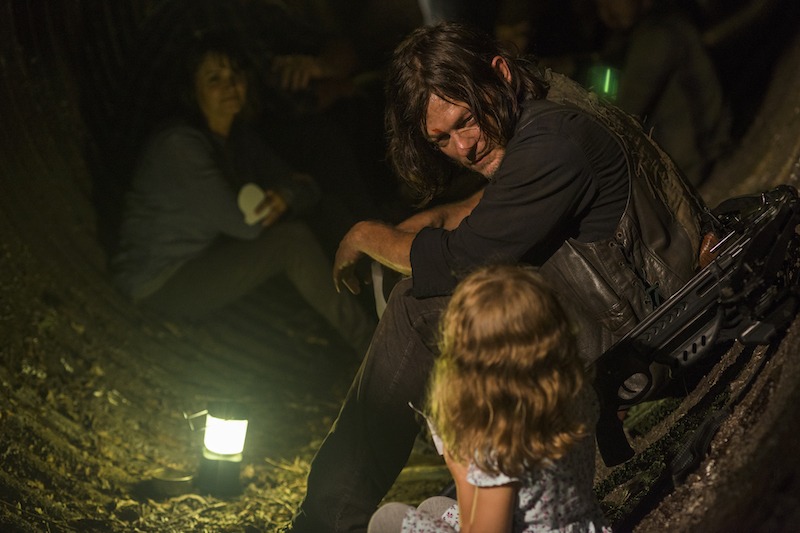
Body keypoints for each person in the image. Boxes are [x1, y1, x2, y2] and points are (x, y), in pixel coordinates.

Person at [290, 22, 705, 532]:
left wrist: (366, 235)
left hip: (644, 335)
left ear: (500, 73)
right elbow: (483, 208)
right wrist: (421, 224)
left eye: (465, 121)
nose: (464, 147)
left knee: (417, 306)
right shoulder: (540, 113)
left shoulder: (552, 142)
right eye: (441, 139)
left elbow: (463, 258)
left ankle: (326, 521)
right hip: (632, 309)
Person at [110, 31, 375, 359]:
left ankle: (378, 295)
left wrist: (287, 194)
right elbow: (245, 226)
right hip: (160, 281)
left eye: (236, 75)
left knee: (323, 212)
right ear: (193, 90)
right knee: (291, 241)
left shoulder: (238, 139)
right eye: (214, 79)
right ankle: (371, 344)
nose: (230, 86)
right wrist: (287, 195)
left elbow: (307, 189)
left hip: (202, 258)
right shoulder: (180, 147)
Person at [367, 264, 611, 533]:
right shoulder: (574, 391)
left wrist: (461, 473)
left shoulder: (500, 443)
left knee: (388, 518)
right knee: (433, 507)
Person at [592, 0, 731, 186]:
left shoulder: (657, 35)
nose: (608, 10)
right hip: (689, 160)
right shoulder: (633, 37)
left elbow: (625, 109)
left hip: (697, 162)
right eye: (600, 5)